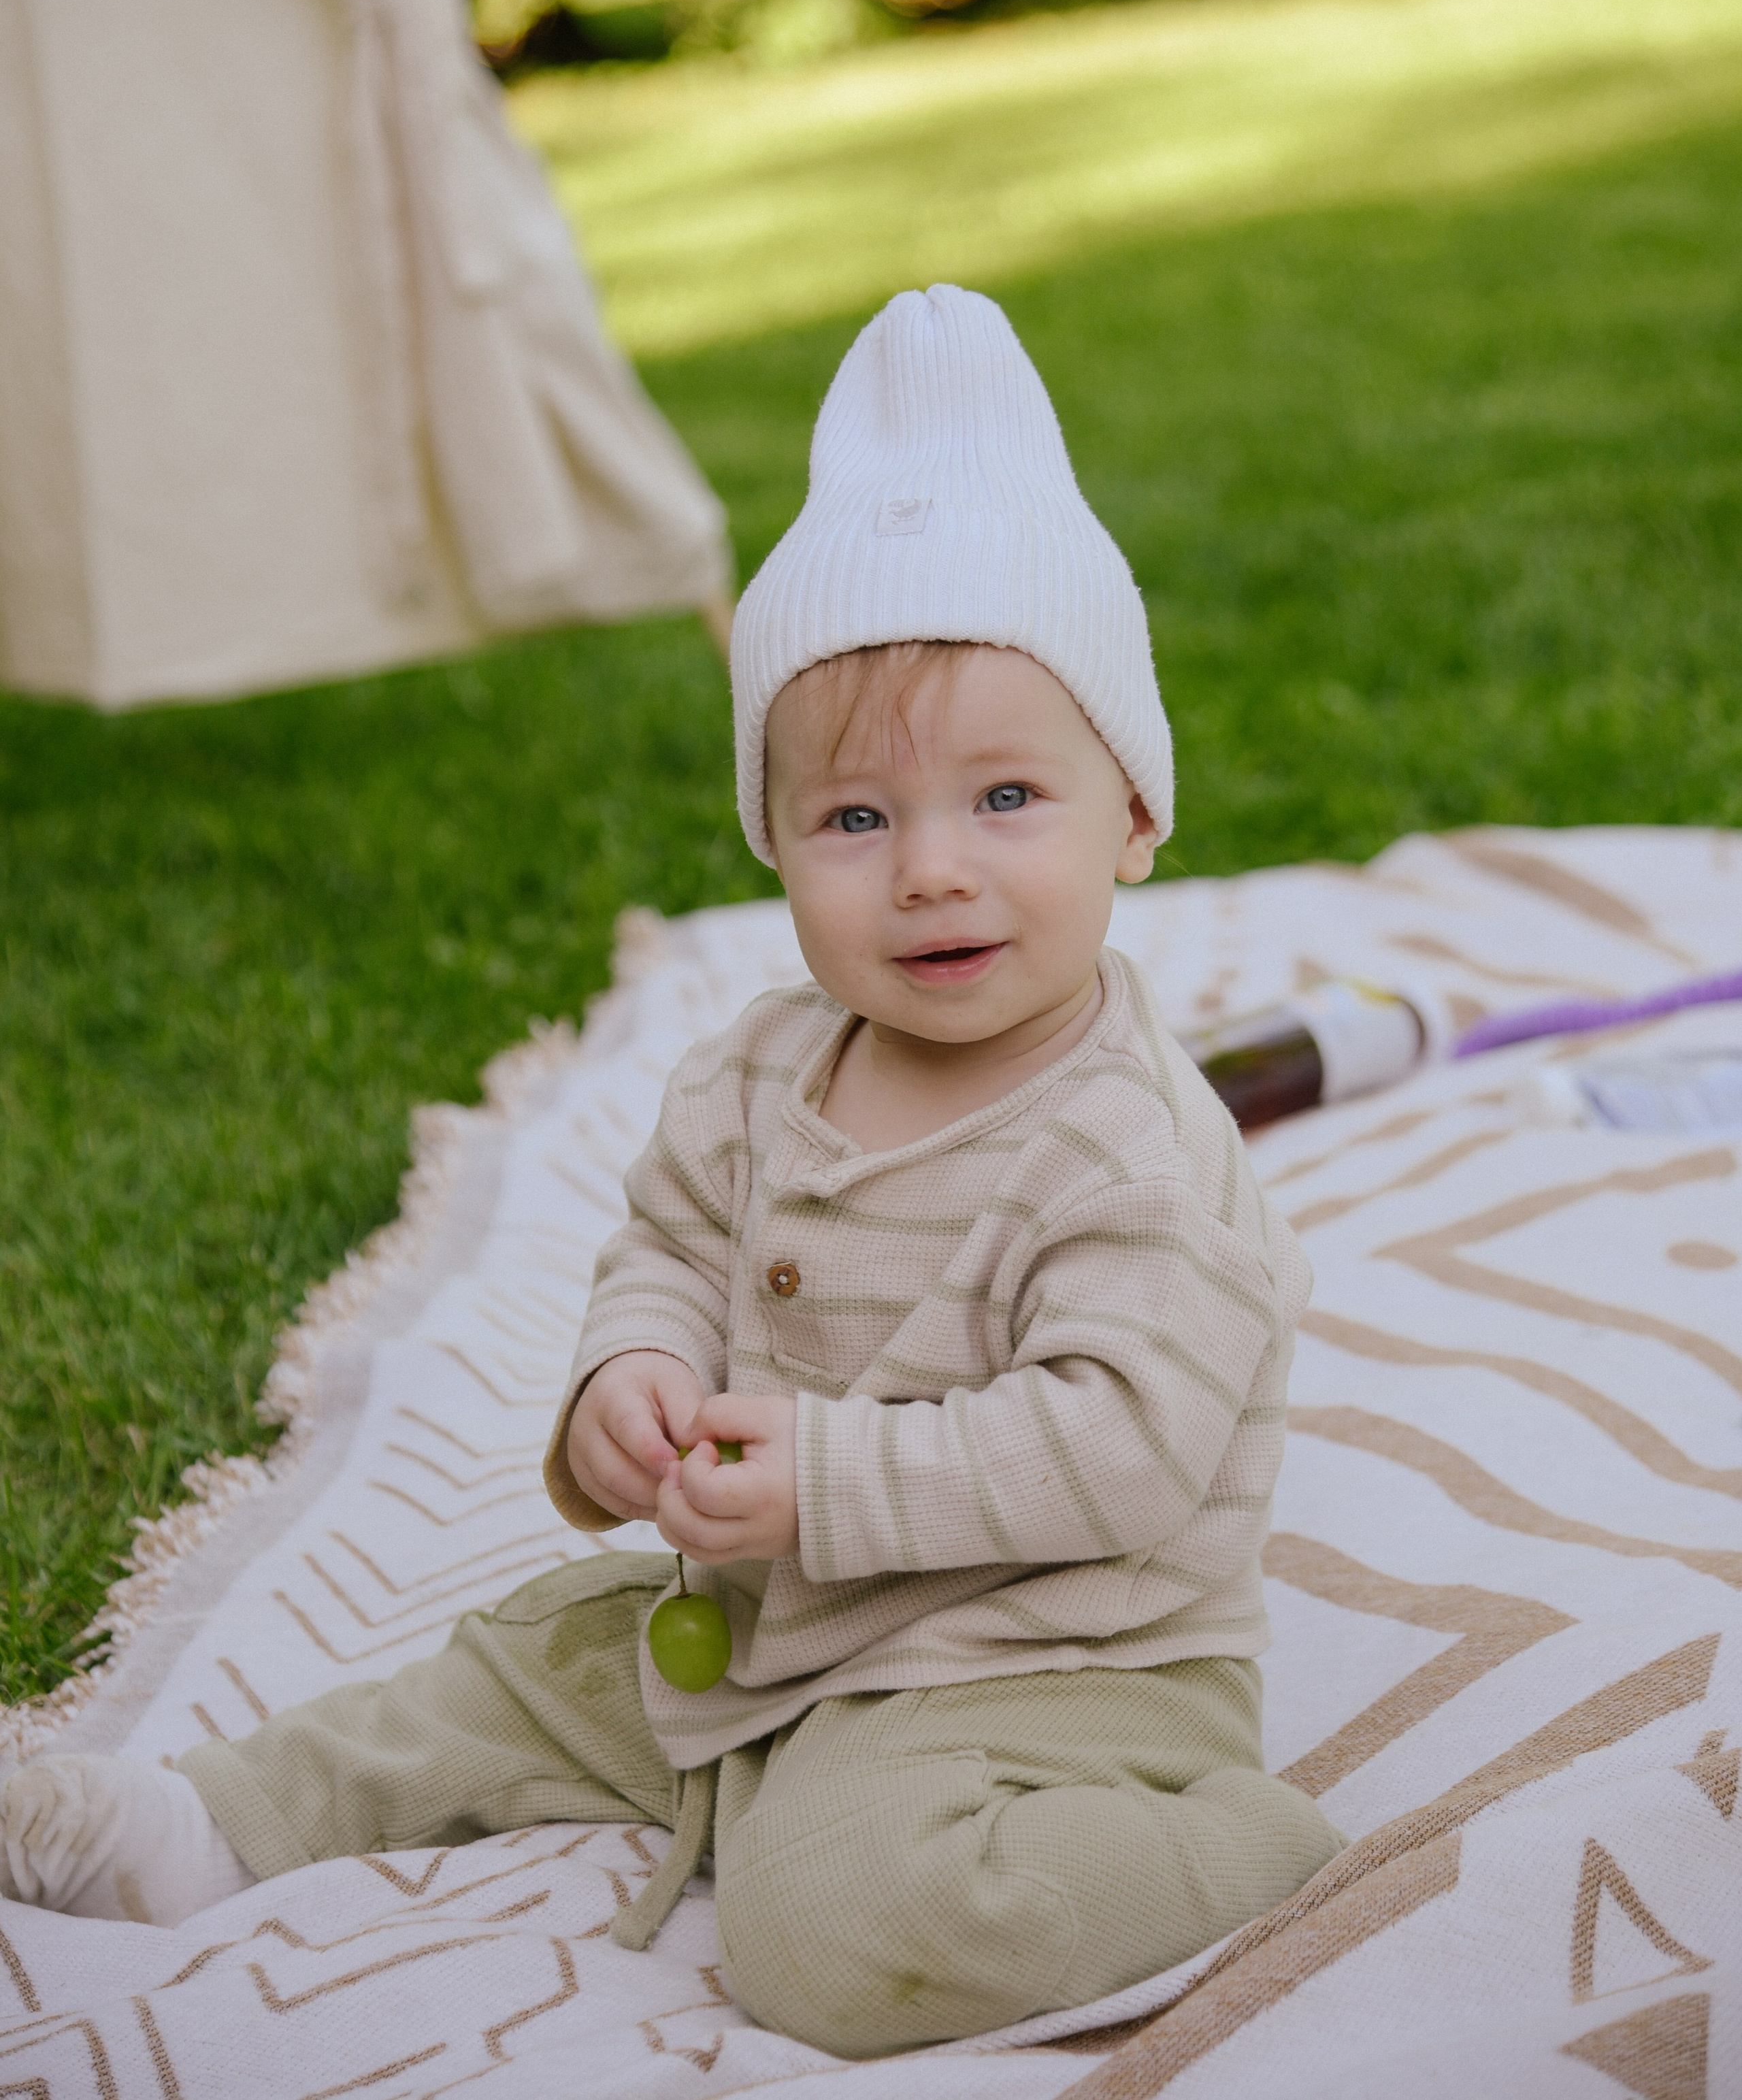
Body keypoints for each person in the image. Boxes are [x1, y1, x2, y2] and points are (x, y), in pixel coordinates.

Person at [0, 285, 1342, 2056]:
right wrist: (626, 1386)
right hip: (781, 1607)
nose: (931, 869)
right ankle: (202, 1826)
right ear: (773, 841)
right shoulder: (764, 1067)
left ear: (1138, 814)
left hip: (1051, 1667)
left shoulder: (1134, 1148)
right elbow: (671, 1251)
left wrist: (824, 1479)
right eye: (855, 818)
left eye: (1008, 798)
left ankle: (1239, 1847)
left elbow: (1120, 1447)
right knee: (519, 1666)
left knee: (840, 1930)